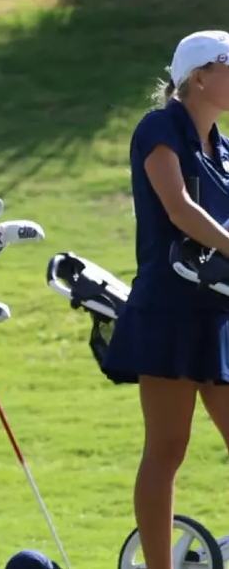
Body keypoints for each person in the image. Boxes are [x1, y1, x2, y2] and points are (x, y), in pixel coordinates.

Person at [101, 30, 229, 569]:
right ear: (199, 76)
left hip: (216, 310)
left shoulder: (222, 146)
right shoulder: (159, 128)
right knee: (168, 447)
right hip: (169, 311)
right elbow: (178, 209)